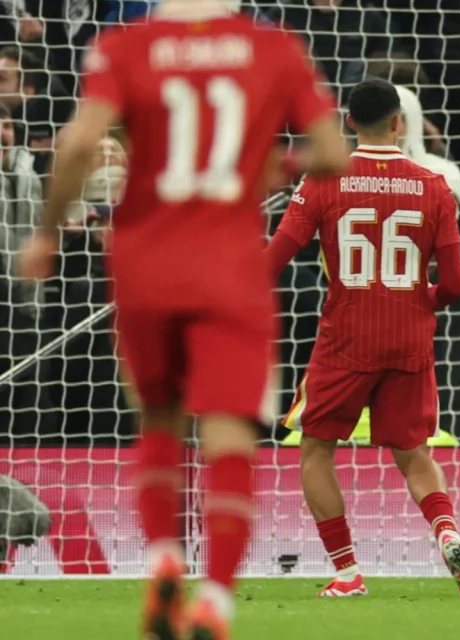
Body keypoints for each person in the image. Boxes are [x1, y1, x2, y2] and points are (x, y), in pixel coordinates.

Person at [17, 1, 350, 638]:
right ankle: (216, 598)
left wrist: (46, 233)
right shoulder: (274, 46)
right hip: (230, 267)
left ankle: (165, 563)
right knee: (227, 434)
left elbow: (80, 139)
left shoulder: (126, 44)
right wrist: (265, 170)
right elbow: (332, 152)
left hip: (145, 260)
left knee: (160, 417)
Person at [265, 77, 460, 598]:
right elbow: (454, 284)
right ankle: (448, 533)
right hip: (410, 338)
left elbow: (272, 262)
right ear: (398, 123)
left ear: (347, 124)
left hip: (346, 335)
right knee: (414, 452)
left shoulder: (324, 180)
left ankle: (347, 573)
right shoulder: (434, 186)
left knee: (316, 450)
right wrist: (416, 301)